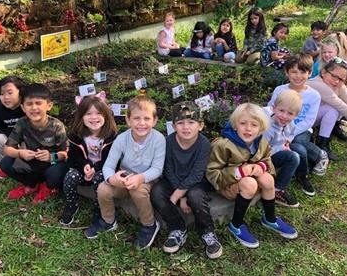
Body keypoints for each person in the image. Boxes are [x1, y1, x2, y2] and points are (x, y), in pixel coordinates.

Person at [207, 103, 298, 249]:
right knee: (249, 183)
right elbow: (212, 173)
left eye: (254, 125)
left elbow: (268, 161)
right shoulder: (223, 145)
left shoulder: (261, 142)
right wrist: (240, 172)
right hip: (227, 184)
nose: (248, 128)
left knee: (267, 179)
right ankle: (236, 224)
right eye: (243, 123)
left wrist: (260, 167)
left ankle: (270, 218)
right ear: (235, 125)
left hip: (248, 181)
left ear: (261, 128)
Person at [85, 95, 165, 250]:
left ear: (154, 121)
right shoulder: (121, 139)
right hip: (125, 177)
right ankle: (108, 221)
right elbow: (108, 165)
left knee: (138, 190)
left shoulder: (159, 139)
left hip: (148, 178)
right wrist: (112, 178)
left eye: (147, 119)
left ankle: (149, 224)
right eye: (136, 118)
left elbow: (157, 169)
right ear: (128, 120)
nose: (141, 123)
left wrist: (140, 178)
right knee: (103, 188)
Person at [150, 102, 222, 259]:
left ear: (200, 125)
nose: (186, 127)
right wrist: (181, 195)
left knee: (195, 195)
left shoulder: (203, 144)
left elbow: (197, 174)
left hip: (197, 182)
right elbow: (168, 170)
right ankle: (177, 227)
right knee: (157, 191)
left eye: (191, 122)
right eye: (180, 123)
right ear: (174, 126)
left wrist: (179, 195)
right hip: (174, 179)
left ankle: (207, 231)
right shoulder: (168, 142)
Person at [0, 83, 68, 204]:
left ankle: (48, 187)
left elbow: (66, 153)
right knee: (6, 163)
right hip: (32, 161)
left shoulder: (56, 125)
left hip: (52, 163)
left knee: (56, 174)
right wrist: (20, 153)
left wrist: (51, 157)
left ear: (49, 106)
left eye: (38, 103)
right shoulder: (22, 123)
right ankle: (31, 185)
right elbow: (7, 149)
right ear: (23, 107)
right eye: (29, 104)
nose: (34, 108)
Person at [59, 93, 118, 226]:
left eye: (98, 113)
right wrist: (84, 165)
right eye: (88, 114)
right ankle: (71, 205)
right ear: (81, 117)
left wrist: (95, 168)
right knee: (70, 176)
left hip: (102, 170)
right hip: (84, 169)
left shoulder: (112, 136)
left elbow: (113, 160)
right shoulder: (76, 135)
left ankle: (99, 209)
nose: (94, 118)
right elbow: (72, 158)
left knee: (99, 178)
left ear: (106, 115)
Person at [269, 55, 329, 178]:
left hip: (302, 129)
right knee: (296, 148)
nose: (298, 76)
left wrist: (290, 134)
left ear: (310, 73)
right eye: (294, 72)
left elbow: (308, 121)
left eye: (302, 72)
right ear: (287, 72)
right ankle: (301, 167)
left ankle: (319, 155)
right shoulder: (279, 90)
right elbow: (271, 109)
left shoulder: (313, 95)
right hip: (280, 125)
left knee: (297, 141)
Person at [264, 90, 317, 205]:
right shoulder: (268, 127)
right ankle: (278, 190)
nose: (284, 116)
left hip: (278, 149)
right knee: (293, 157)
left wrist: (287, 141)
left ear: (296, 115)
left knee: (298, 151)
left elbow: (290, 134)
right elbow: (262, 150)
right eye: (281, 111)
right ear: (273, 108)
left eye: (290, 113)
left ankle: (302, 176)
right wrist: (281, 148)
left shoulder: (290, 124)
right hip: (264, 158)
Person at [0, 76, 27, 179]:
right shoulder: (1, 112)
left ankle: (20, 167)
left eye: (10, 93)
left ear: (21, 92)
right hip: (12, 143)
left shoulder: (27, 107)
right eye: (2, 94)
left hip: (29, 143)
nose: (5, 97)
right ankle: (0, 165)